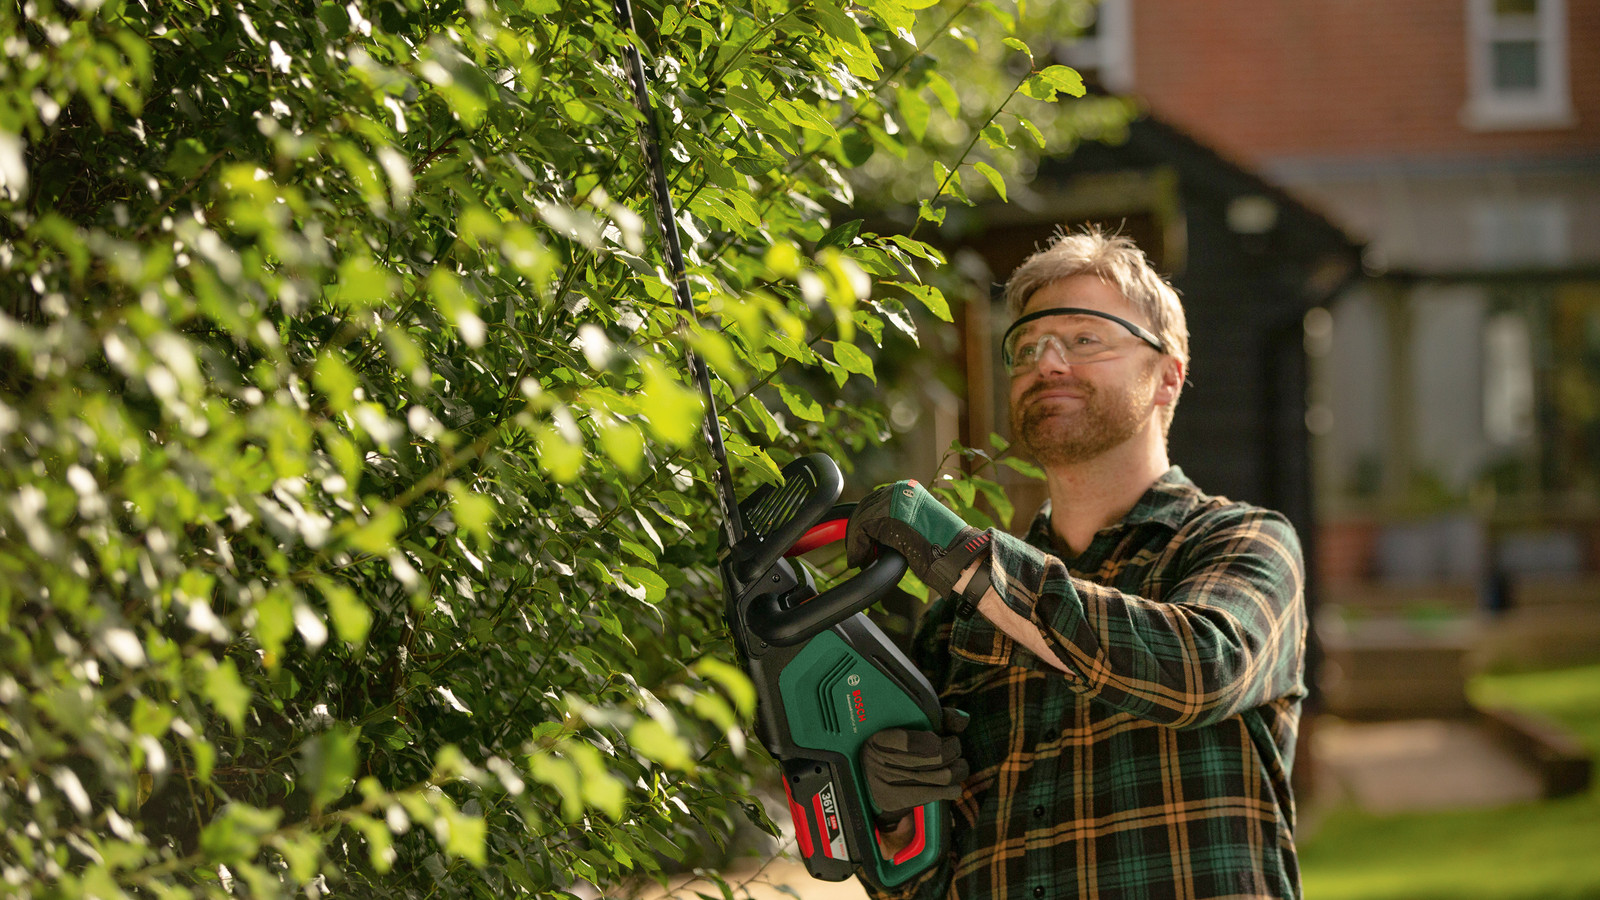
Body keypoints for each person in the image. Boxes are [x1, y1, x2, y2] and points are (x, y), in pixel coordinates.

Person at [846, 227, 1308, 900]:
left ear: (1166, 375)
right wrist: (892, 818)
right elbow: (916, 884)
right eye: (1028, 347)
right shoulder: (956, 623)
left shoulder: (1242, 542)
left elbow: (1202, 671)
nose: (1048, 363)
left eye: (1085, 340)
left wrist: (969, 559)